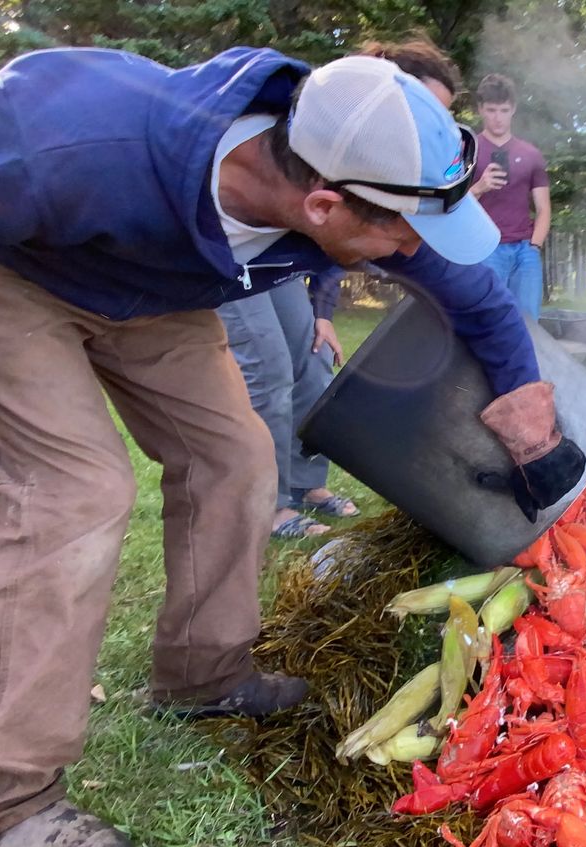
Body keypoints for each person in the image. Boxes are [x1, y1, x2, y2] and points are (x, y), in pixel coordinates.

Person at [0, 49, 586, 847]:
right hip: (2, 270)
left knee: (239, 458)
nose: (411, 254)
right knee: (76, 496)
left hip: (151, 294)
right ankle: (6, 800)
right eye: (402, 237)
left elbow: (471, 291)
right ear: (321, 204)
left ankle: (202, 676)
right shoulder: (81, 141)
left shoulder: (369, 192)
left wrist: (524, 400)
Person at [224, 38, 467, 539]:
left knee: (312, 365)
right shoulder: (336, 125)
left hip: (284, 266)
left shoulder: (402, 175)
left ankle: (307, 485)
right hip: (232, 258)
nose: (433, 123)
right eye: (427, 104)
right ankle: (270, 506)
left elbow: (339, 245)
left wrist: (323, 310)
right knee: (267, 371)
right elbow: (331, 224)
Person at [469, 73, 552, 320]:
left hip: (525, 250)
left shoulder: (531, 154)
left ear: (513, 110)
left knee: (529, 325)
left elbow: (544, 208)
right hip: (485, 249)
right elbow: (452, 205)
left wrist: (534, 246)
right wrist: (480, 187)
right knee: (488, 321)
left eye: (504, 110)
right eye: (491, 110)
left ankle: (526, 360)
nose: (497, 118)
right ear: (481, 109)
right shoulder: (467, 149)